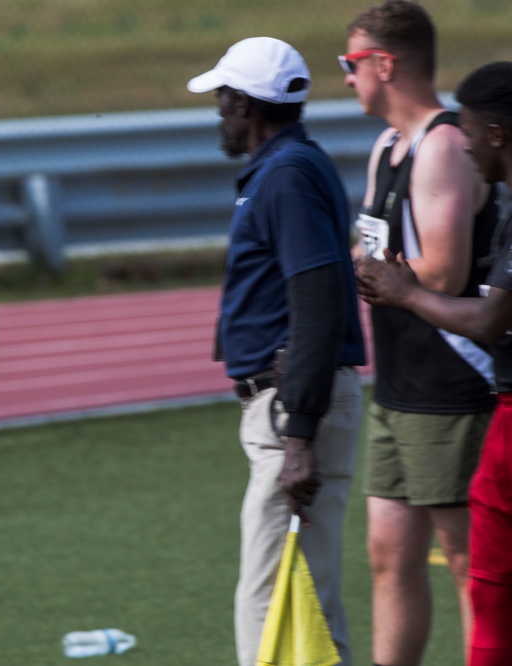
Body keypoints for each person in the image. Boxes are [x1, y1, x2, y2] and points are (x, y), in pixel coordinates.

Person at [186, 37, 366, 666]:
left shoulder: (286, 175)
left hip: (294, 408)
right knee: (304, 601)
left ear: (244, 103)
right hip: (296, 405)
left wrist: (299, 435)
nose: (218, 112)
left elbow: (317, 301)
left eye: (222, 99)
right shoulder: (290, 167)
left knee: (271, 606)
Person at [343, 3, 499, 663]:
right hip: (398, 383)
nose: (346, 78)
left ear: (386, 64)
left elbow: (442, 272)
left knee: (468, 561)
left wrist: (375, 271)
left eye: (351, 64)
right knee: (387, 554)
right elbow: (367, 249)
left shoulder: (443, 146)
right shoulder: (387, 146)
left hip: (451, 383)